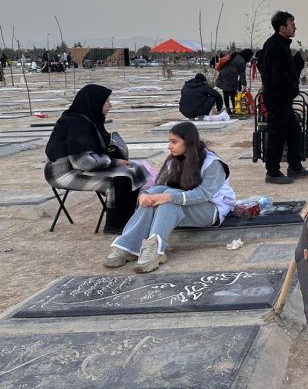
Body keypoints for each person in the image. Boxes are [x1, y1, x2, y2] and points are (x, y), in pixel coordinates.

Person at [103, 122, 235, 273]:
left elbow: (203, 194)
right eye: (169, 141)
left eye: (174, 142)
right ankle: (128, 245)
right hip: (183, 204)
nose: (169, 146)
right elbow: (159, 185)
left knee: (168, 201)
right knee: (155, 194)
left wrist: (168, 197)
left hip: (211, 209)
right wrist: (144, 195)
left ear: (189, 142)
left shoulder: (212, 163)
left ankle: (154, 249)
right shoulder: (174, 159)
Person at [44, 84, 148, 232]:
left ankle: (130, 218)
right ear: (95, 102)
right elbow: (83, 162)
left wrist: (115, 159)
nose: (110, 105)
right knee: (121, 178)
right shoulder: (75, 123)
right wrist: (112, 162)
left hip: (81, 166)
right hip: (63, 172)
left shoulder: (90, 120)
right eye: (106, 101)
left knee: (135, 168)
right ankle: (115, 224)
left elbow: (97, 151)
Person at [258, 11, 308, 184]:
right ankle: (273, 172)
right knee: (277, 134)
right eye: (291, 24)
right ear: (282, 27)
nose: (294, 26)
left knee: (294, 131)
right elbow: (279, 76)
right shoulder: (275, 46)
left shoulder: (280, 44)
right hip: (277, 98)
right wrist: (293, 88)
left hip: (281, 97)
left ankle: (295, 166)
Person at [215, 49, 251, 114]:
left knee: (225, 92)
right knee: (233, 92)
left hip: (223, 73)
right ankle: (235, 108)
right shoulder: (242, 61)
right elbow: (242, 74)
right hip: (231, 75)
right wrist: (244, 85)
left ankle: (228, 108)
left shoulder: (235, 54)